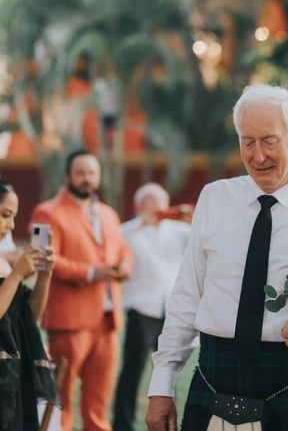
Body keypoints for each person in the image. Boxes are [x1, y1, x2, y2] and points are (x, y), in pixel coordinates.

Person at [145, 84, 288, 431]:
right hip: (214, 373)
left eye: (269, 141)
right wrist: (161, 387)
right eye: (247, 141)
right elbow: (186, 295)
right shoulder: (214, 199)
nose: (257, 156)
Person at [30, 150, 132, 431]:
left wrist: (125, 266)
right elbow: (44, 259)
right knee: (59, 400)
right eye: (81, 173)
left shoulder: (109, 214)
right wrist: (90, 272)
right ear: (67, 176)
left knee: (99, 404)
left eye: (92, 173)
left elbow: (123, 251)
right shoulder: (46, 212)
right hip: (69, 321)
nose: (87, 179)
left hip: (109, 322)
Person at [113, 183, 190, 431]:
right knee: (132, 371)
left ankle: (169, 423)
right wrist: (141, 221)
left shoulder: (180, 231)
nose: (154, 206)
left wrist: (191, 217)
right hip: (141, 310)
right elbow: (115, 242)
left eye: (158, 201)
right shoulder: (128, 231)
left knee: (170, 371)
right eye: (148, 201)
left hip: (171, 311)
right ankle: (122, 424)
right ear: (138, 205)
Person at [0, 179, 59, 430]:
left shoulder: (1, 258)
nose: (11, 225)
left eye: (13, 217)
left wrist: (45, 276)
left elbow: (28, 315)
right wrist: (15, 276)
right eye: (5, 215)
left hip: (13, 368)